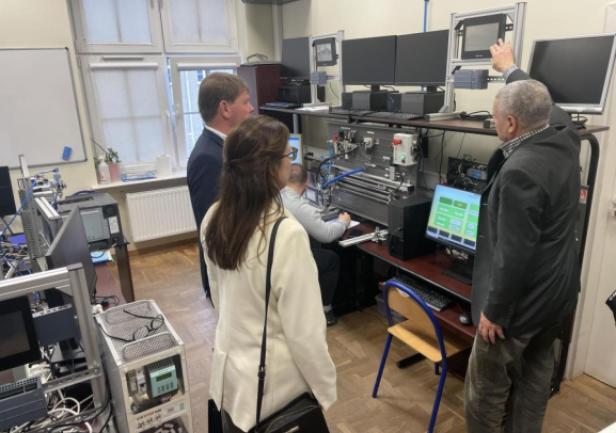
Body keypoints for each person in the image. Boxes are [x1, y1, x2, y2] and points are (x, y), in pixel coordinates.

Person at [466, 39, 581, 433]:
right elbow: (549, 107)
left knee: (485, 390)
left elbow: (514, 254)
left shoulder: (519, 172)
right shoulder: (565, 138)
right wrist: (510, 69)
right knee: (535, 377)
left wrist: (494, 312)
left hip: (523, 304)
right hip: (558, 296)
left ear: (512, 124)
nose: (493, 123)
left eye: (496, 118)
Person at [202, 115, 337, 432]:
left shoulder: (214, 216)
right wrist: (325, 387)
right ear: (271, 169)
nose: (292, 161)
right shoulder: (285, 233)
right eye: (289, 155)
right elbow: (305, 332)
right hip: (275, 389)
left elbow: (219, 296)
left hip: (232, 376)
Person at [187, 73, 254, 299]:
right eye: (245, 102)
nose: (251, 108)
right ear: (225, 108)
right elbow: (217, 227)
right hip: (229, 272)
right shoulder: (208, 158)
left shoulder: (223, 149)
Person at [282, 163, 351, 326]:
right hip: (291, 258)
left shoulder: (279, 195)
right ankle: (325, 310)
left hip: (281, 253)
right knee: (331, 259)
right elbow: (327, 235)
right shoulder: (300, 207)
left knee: (315, 243)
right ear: (306, 182)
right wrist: (343, 222)